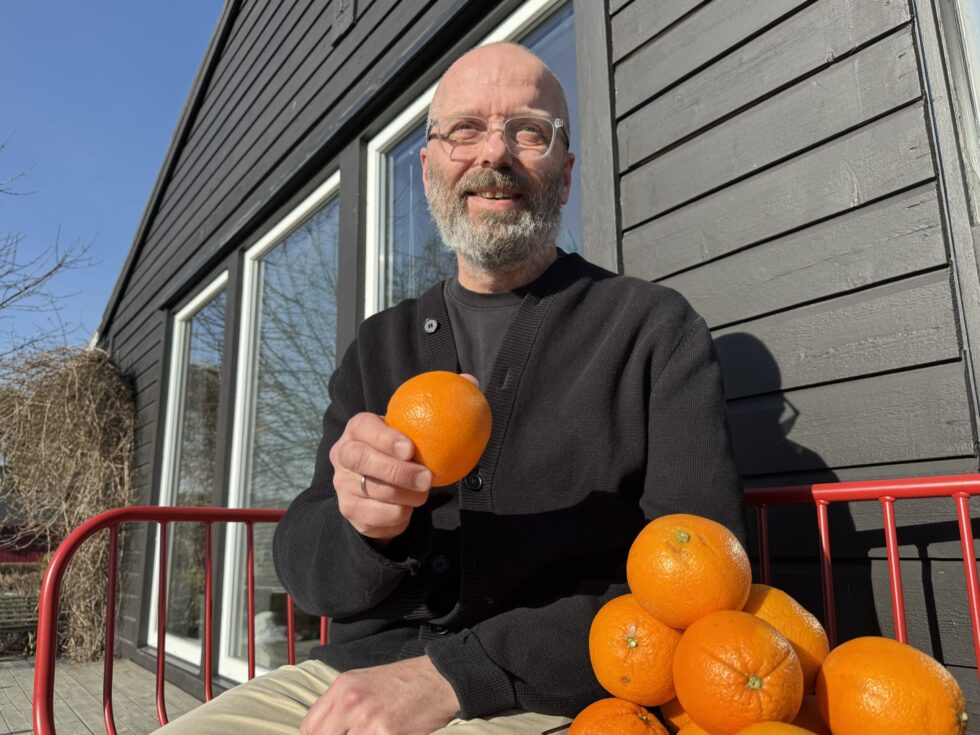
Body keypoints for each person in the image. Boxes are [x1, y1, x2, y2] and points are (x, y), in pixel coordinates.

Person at [157, 41, 745, 735]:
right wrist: (360, 527)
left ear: (565, 173)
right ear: (430, 164)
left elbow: (700, 585)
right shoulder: (377, 348)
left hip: (545, 696)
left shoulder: (651, 329)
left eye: (529, 130)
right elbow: (309, 571)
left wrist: (453, 674)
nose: (493, 153)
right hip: (343, 683)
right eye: (464, 129)